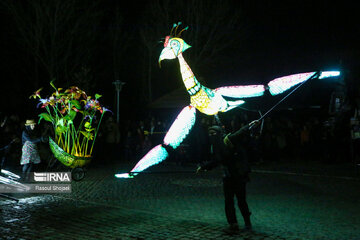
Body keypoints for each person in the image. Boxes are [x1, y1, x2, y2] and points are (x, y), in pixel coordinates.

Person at [197, 120, 259, 234]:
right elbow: (216, 161)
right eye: (210, 134)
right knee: (228, 200)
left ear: (219, 133)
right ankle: (233, 224)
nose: (212, 136)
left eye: (214, 133)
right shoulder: (215, 147)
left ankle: (247, 222)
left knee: (241, 200)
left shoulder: (228, 140)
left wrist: (250, 125)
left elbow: (240, 133)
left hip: (239, 175)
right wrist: (204, 167)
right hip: (228, 176)